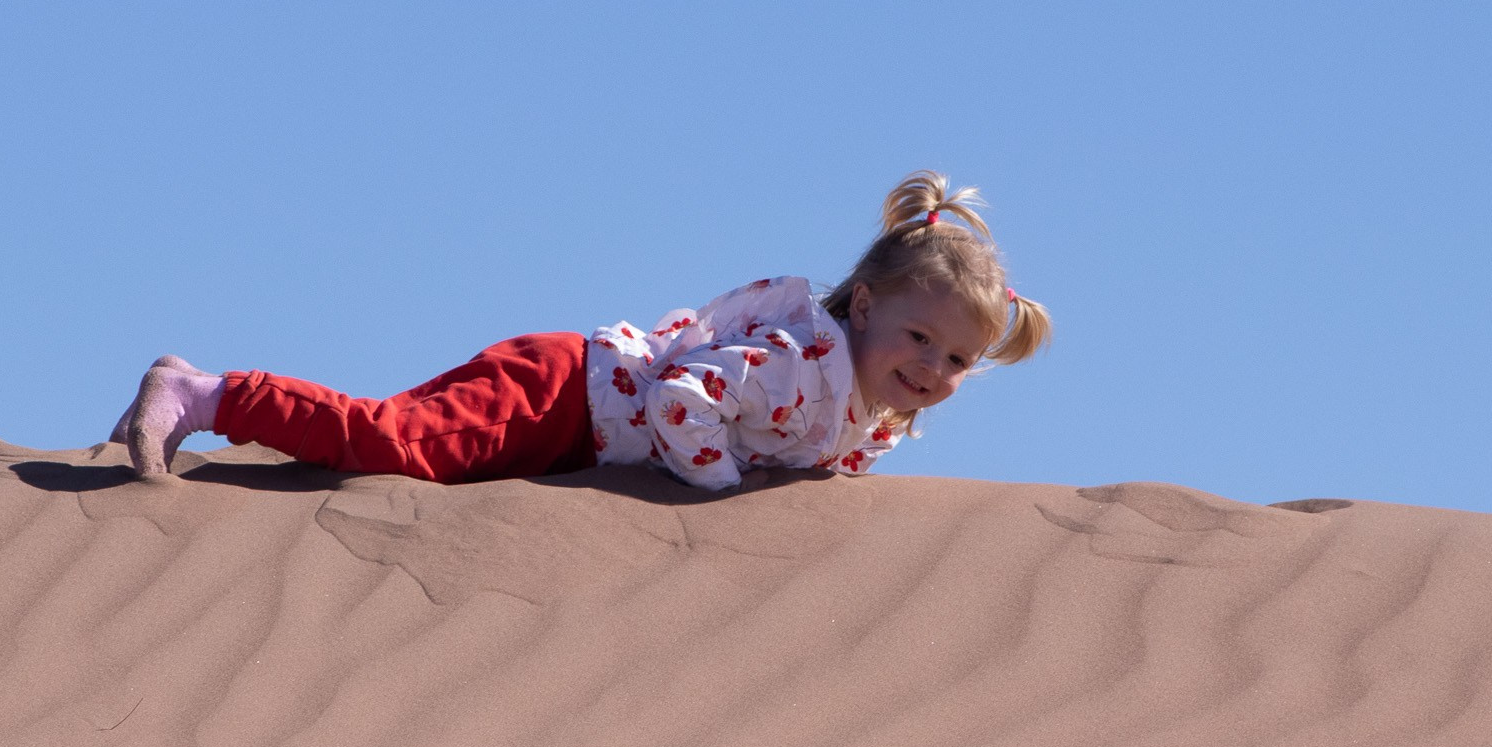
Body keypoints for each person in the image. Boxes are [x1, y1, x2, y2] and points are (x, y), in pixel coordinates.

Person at [111, 171, 1051, 490]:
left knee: (379, 438)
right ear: (864, 304)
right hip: (562, 396)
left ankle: (224, 401)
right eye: (920, 338)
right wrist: (718, 493)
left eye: (958, 358)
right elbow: (687, 401)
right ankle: (204, 392)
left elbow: (832, 460)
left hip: (577, 414)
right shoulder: (801, 365)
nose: (932, 367)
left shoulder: (869, 410)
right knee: (391, 446)